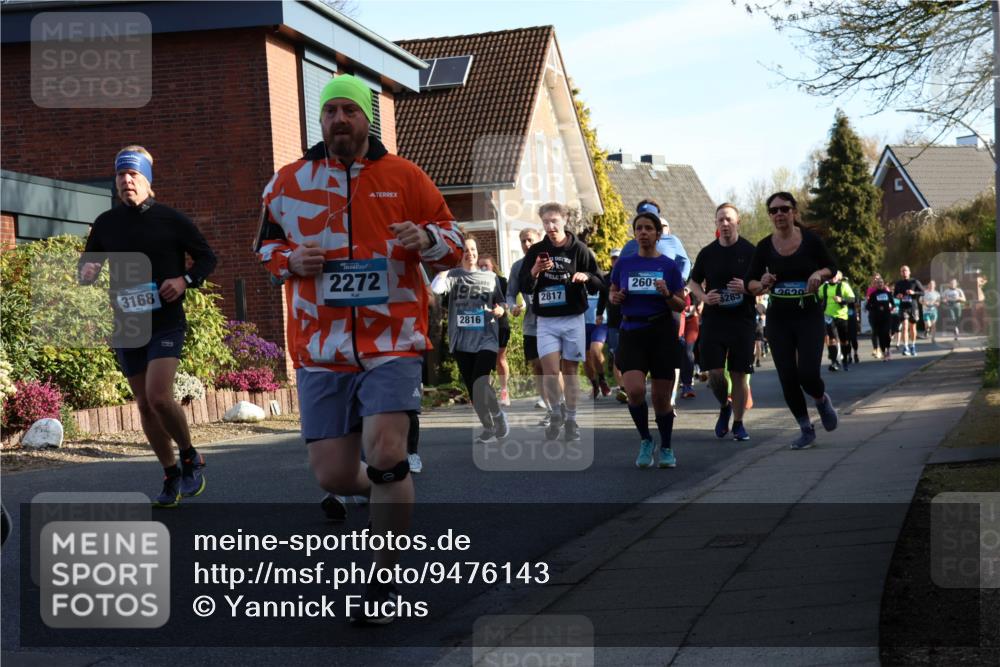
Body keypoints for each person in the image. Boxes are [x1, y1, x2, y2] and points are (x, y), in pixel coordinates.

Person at [254, 74, 463, 624]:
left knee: (387, 455)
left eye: (349, 110)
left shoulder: (405, 176)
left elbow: (456, 243)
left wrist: (429, 239)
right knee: (332, 475)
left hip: (393, 339)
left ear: (366, 119)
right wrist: (288, 262)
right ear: (320, 120)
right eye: (331, 111)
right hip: (321, 346)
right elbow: (265, 245)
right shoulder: (288, 182)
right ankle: (395, 499)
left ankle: (382, 581)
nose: (340, 119)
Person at [79, 145, 217, 508]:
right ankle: (171, 474)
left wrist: (185, 280)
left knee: (158, 396)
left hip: (165, 322)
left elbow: (207, 257)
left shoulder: (171, 219)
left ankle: (189, 455)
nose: (126, 180)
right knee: (143, 405)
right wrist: (87, 271)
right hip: (128, 324)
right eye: (120, 175)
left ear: (147, 180)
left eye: (133, 174)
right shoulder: (106, 223)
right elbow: (88, 269)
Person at [746, 192, 838, 450]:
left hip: (808, 315)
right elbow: (749, 282)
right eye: (774, 210)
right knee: (787, 376)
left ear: (794, 212)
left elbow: (832, 267)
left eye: (784, 209)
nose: (779, 214)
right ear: (770, 216)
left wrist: (819, 273)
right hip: (779, 318)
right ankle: (806, 428)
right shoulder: (764, 246)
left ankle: (821, 399)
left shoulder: (810, 240)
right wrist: (761, 283)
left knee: (808, 374)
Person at [518, 202, 603, 442]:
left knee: (570, 371)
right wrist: (535, 270)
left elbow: (599, 282)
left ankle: (572, 420)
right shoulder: (537, 251)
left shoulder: (579, 250)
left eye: (554, 221)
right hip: (546, 320)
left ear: (565, 220)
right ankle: (556, 413)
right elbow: (525, 285)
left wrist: (586, 276)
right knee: (550, 371)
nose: (550, 226)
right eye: (546, 222)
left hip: (573, 318)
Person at [610, 211, 686, 467]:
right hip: (632, 331)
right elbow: (613, 290)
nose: (643, 232)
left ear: (658, 234)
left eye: (648, 228)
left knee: (661, 399)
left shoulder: (669, 266)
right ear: (634, 234)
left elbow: (681, 305)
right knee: (634, 391)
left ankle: (666, 446)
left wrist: (667, 294)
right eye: (639, 228)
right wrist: (615, 297)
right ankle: (645, 439)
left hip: (661, 332)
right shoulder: (624, 264)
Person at [687, 203, 757, 441]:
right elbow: (693, 282)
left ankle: (738, 423)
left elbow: (763, 283)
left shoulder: (750, 251)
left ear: (738, 222)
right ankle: (724, 406)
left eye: (729, 219)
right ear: (716, 224)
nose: (725, 224)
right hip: (714, 320)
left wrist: (746, 288)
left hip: (742, 321)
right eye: (721, 220)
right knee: (715, 374)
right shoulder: (707, 253)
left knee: (739, 374)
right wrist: (704, 297)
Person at [435, 240, 509, 442]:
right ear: (460, 254)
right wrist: (443, 273)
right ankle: (488, 427)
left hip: (487, 337)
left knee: (480, 381)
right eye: (466, 250)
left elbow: (502, 301)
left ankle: (498, 416)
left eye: (473, 249)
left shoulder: (491, 277)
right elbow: (436, 289)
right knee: (473, 388)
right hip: (461, 340)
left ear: (477, 252)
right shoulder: (453, 276)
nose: (470, 253)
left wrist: (501, 309)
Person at [507, 228, 553, 414]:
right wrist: (512, 307)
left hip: (551, 322)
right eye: (523, 241)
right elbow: (510, 294)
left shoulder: (550, 261)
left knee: (550, 365)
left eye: (530, 240)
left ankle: (556, 400)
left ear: (538, 241)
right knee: (537, 365)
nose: (526, 244)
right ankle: (546, 400)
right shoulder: (518, 267)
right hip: (531, 324)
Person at [477, 254, 511, 406]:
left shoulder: (501, 281)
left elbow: (508, 301)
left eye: (486, 265)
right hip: (481, 325)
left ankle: (504, 391)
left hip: (499, 323)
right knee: (484, 359)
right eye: (480, 266)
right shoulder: (474, 282)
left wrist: (502, 308)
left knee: (500, 358)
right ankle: (485, 393)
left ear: (493, 267)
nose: (483, 268)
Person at [818, 272, 855, 372]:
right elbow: (817, 296)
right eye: (831, 276)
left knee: (844, 340)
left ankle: (845, 360)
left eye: (835, 275)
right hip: (828, 316)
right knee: (832, 339)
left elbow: (852, 299)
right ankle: (833, 362)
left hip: (842, 316)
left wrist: (842, 300)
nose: (833, 277)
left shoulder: (844, 285)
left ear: (838, 277)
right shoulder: (824, 287)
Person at [584, 271, 611, 399]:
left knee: (595, 351)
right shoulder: (576, 278)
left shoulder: (601, 278)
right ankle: (594, 385)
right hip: (582, 323)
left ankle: (602, 379)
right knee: (586, 358)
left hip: (600, 322)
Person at [893, 265, 924, 356]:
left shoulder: (914, 281)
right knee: (905, 326)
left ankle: (913, 346)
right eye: (902, 271)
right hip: (903, 307)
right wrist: (898, 296)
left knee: (913, 327)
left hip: (913, 307)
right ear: (900, 273)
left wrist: (914, 292)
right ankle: (905, 346)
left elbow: (923, 292)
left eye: (906, 270)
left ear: (909, 272)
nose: (904, 272)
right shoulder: (898, 283)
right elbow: (895, 294)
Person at [866, 276, 895, 361]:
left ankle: (888, 349)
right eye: (878, 283)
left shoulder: (888, 293)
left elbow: (893, 304)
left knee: (886, 333)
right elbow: (868, 306)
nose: (880, 284)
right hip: (877, 318)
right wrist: (876, 308)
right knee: (881, 335)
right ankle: (883, 352)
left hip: (887, 316)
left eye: (881, 282)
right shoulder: (873, 295)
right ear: (875, 285)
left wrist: (890, 308)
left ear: (883, 284)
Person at [920, 279, 941, 344]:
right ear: (928, 285)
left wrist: (936, 303)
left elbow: (938, 302)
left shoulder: (937, 293)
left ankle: (933, 338)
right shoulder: (924, 292)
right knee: (928, 324)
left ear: (935, 285)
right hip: (926, 311)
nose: (931, 285)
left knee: (933, 325)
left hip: (933, 311)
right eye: (930, 284)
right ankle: (926, 330)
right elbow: (920, 301)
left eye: (932, 284)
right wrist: (924, 303)